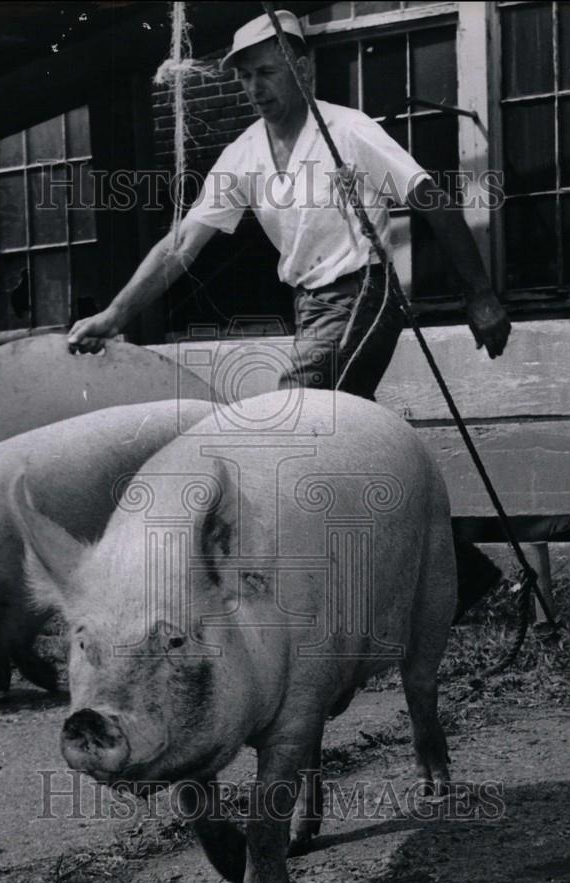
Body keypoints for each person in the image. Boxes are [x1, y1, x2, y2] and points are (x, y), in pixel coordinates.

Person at [67, 9, 510, 619]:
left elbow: (429, 197)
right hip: (309, 306)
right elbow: (182, 244)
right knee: (347, 450)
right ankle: (457, 575)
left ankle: (301, 600)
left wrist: (479, 295)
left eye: (268, 72)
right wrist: (116, 313)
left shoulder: (347, 131)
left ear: (304, 67)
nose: (255, 88)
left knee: (291, 419)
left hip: (364, 290)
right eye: (245, 77)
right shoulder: (244, 152)